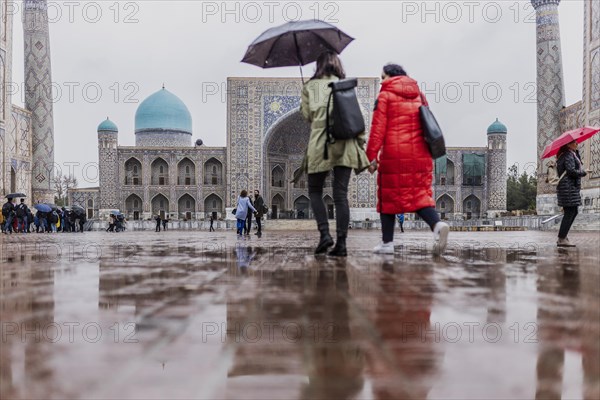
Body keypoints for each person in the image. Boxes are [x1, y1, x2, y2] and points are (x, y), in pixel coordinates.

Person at [366, 63, 449, 255]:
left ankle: (387, 243)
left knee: (388, 197)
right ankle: (436, 225)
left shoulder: (385, 96)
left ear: (390, 76)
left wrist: (371, 157)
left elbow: (377, 130)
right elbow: (428, 122)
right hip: (421, 155)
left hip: (395, 154)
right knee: (419, 197)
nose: (381, 82)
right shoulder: (418, 94)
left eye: (382, 78)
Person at [296, 51, 370, 257]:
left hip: (320, 144)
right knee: (340, 196)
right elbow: (357, 118)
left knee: (315, 191)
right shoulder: (345, 85)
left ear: (318, 65)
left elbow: (307, 115)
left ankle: (324, 235)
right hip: (345, 145)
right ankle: (342, 244)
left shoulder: (310, 87)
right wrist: (360, 146)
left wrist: (308, 92)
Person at [555, 140, 588, 247]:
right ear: (568, 144)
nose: (577, 144)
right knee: (570, 212)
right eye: (574, 142)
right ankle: (562, 238)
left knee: (573, 212)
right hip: (568, 188)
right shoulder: (568, 155)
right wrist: (584, 172)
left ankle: (563, 236)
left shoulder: (568, 154)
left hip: (569, 188)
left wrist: (576, 153)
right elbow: (571, 171)